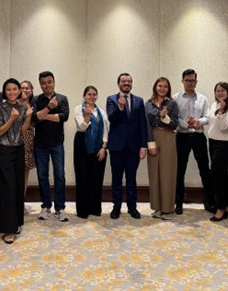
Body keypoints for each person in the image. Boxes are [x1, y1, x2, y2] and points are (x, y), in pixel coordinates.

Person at [0, 78, 33, 243]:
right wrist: (11, 119)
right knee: (7, 187)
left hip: (19, 148)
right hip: (4, 149)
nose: (11, 92)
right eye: (8, 89)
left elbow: (22, 130)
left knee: (17, 186)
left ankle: (16, 222)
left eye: (14, 89)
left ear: (20, 91)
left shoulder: (23, 107)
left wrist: (28, 117)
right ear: (5, 92)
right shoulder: (1, 108)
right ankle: (8, 229)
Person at [172, 69, 215, 215]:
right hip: (182, 137)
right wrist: (187, 124)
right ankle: (178, 202)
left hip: (198, 137)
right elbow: (174, 118)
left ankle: (209, 201)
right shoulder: (175, 98)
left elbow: (207, 117)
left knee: (204, 170)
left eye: (193, 80)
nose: (190, 83)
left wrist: (198, 122)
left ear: (196, 82)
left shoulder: (202, 98)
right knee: (179, 170)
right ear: (182, 81)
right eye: (188, 80)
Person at [107, 73, 148, 219]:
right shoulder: (112, 99)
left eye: (129, 81)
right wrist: (120, 107)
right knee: (116, 179)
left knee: (132, 178)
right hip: (117, 146)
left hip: (134, 147)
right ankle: (116, 207)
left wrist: (144, 146)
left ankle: (132, 207)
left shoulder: (139, 101)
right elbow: (112, 118)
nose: (126, 83)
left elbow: (143, 124)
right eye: (123, 81)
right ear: (118, 83)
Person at [32, 71, 70, 222]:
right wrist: (49, 108)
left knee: (59, 176)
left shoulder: (62, 98)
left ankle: (60, 208)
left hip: (57, 143)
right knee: (42, 176)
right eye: (43, 83)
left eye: (49, 82)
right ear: (40, 84)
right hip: (40, 144)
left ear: (54, 82)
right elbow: (34, 118)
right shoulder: (36, 99)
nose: (47, 85)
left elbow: (64, 117)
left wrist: (43, 115)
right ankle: (46, 206)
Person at [145, 77, 179, 220]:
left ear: (168, 89)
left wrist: (166, 118)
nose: (162, 88)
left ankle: (168, 209)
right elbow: (146, 125)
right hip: (153, 137)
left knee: (168, 173)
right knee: (154, 173)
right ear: (155, 87)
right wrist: (150, 144)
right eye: (160, 85)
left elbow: (175, 124)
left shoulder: (172, 103)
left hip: (168, 137)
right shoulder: (148, 104)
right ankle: (157, 208)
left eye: (165, 86)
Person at [73, 85, 109, 219]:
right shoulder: (79, 109)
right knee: (82, 177)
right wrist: (87, 115)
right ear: (84, 96)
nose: (92, 97)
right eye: (89, 94)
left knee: (96, 178)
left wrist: (103, 147)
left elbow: (106, 129)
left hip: (98, 148)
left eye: (94, 94)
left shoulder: (101, 111)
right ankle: (83, 210)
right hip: (82, 145)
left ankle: (95, 208)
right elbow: (82, 127)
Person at [207, 82, 228, 222]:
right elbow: (210, 121)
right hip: (213, 142)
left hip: (226, 144)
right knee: (222, 175)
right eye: (217, 90)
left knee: (216, 175)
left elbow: (224, 126)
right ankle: (227, 206)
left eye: (223, 90)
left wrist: (221, 111)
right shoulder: (214, 105)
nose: (220, 93)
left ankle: (220, 208)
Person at [20, 80, 36, 212]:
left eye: (27, 88)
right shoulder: (13, 103)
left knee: (25, 173)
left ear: (31, 90)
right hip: (16, 139)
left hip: (29, 140)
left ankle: (21, 201)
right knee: (14, 173)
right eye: (22, 88)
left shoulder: (34, 104)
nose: (24, 90)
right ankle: (13, 202)